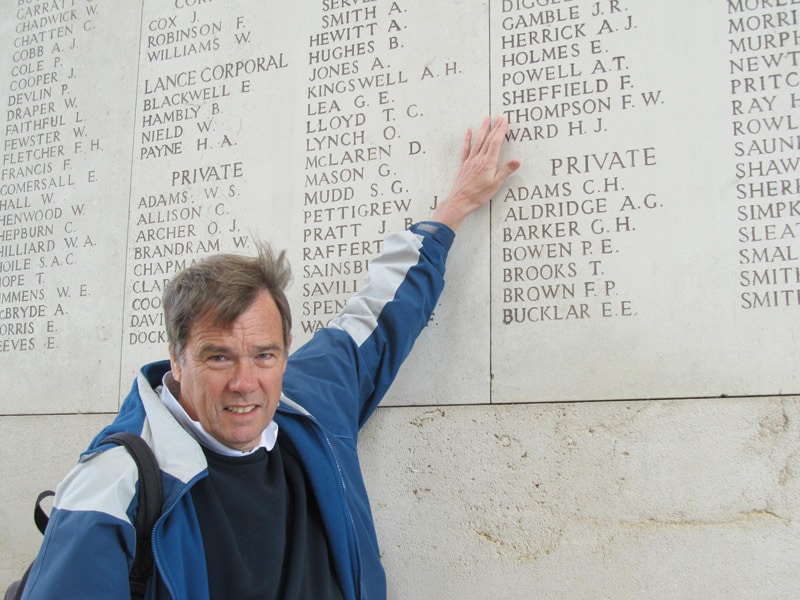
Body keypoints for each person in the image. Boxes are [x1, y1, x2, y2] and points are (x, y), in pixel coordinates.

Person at [19, 117, 520, 599]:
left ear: (284, 351)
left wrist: (455, 206)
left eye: (264, 354)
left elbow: (378, 315)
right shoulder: (114, 484)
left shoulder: (309, 404)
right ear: (176, 358)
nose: (246, 381)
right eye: (218, 358)